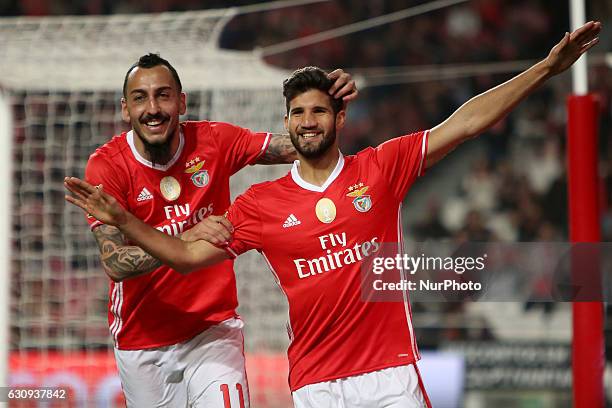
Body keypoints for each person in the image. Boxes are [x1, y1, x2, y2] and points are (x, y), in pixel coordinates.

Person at [66, 22, 601, 407]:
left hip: (389, 376)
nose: (307, 120)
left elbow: (464, 124)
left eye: (318, 109)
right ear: (287, 122)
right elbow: (182, 255)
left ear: (340, 116)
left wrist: (547, 68)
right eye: (298, 113)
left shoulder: (379, 169)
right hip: (315, 386)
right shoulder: (258, 205)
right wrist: (127, 220)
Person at [79, 53, 357, 407]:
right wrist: (187, 236)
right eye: (140, 98)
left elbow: (299, 145)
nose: (152, 108)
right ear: (125, 109)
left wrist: (327, 108)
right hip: (141, 339)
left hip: (213, 330)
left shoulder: (214, 140)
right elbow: (116, 263)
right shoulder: (107, 166)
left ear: (181, 102)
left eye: (163, 95)